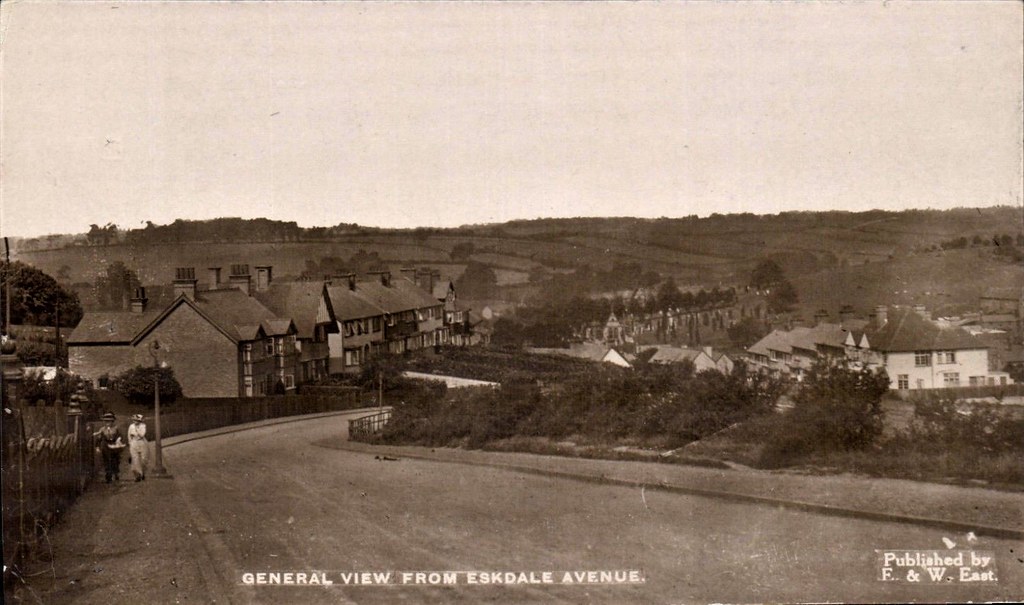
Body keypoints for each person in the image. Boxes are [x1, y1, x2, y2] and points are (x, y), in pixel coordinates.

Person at [94, 412, 125, 483]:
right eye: (106, 421)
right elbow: (99, 439)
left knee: (115, 460)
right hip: (106, 446)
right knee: (107, 461)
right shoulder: (102, 429)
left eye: (110, 421)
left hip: (114, 445)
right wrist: (97, 447)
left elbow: (119, 436)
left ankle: (116, 473)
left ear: (112, 421)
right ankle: (108, 476)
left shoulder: (116, 428)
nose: (108, 423)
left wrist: (118, 441)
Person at [127, 414, 149, 481]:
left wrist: (137, 430)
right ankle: (138, 475)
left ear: (140, 421)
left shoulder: (143, 426)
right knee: (135, 459)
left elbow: (142, 434)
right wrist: (130, 442)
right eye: (134, 420)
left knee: (143, 459)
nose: (135, 422)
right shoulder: (131, 426)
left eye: (137, 420)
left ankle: (143, 472)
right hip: (134, 442)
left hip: (142, 442)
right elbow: (129, 435)